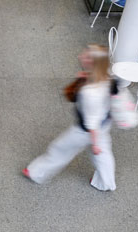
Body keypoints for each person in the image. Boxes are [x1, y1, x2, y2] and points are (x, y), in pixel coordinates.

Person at [23, 44, 116, 191]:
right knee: (103, 156)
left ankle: (36, 172)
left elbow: (91, 122)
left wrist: (95, 143)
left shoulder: (89, 93)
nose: (81, 56)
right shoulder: (107, 77)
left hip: (85, 131)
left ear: (93, 63)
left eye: (86, 56)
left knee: (60, 148)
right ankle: (106, 183)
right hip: (104, 124)